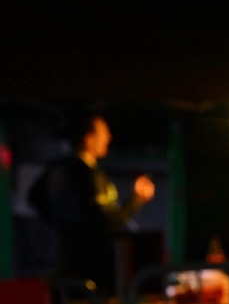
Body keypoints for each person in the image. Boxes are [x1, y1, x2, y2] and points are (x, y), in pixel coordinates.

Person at [28, 111, 155, 293]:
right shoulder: (86, 175)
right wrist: (137, 199)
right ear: (88, 139)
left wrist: (60, 222)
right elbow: (106, 222)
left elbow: (34, 197)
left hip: (66, 261)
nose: (109, 138)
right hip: (93, 265)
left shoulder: (62, 168)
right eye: (103, 133)